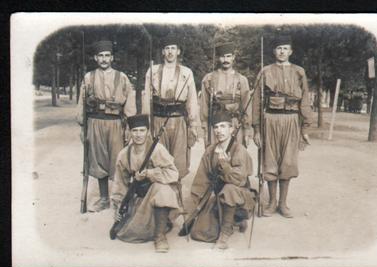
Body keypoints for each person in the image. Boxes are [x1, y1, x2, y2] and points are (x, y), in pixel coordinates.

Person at [252, 35, 312, 218]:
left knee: (287, 162)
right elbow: (256, 101)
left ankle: (283, 203)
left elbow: (305, 101)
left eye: (285, 48)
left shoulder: (299, 72)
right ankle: (271, 203)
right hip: (270, 119)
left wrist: (305, 128)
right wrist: (256, 129)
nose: (282, 51)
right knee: (270, 161)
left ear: (290, 51)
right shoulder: (265, 71)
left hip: (292, 119)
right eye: (279, 48)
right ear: (273, 51)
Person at [76, 40, 136, 212]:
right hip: (94, 123)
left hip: (115, 123)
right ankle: (104, 199)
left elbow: (129, 103)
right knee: (98, 160)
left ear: (112, 57)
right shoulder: (88, 77)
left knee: (118, 161)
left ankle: (119, 198)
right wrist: (82, 126)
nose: (104, 59)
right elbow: (82, 103)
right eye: (100, 56)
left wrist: (129, 127)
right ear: (96, 58)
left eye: (107, 55)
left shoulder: (122, 77)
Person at [111, 114, 180, 253]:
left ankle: (160, 237)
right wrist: (118, 207)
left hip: (158, 194)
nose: (138, 135)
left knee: (163, 190)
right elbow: (120, 183)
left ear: (148, 132)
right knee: (129, 234)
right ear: (129, 132)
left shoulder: (157, 149)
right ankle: (156, 224)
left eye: (142, 130)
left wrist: (150, 173)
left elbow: (174, 174)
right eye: (134, 131)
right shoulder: (124, 154)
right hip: (139, 198)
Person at [187, 111, 255, 249]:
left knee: (229, 189)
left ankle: (226, 231)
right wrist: (200, 202)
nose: (219, 131)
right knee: (199, 233)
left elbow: (239, 180)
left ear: (231, 129)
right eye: (216, 127)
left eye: (223, 126)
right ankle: (237, 219)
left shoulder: (239, 150)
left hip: (239, 194)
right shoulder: (211, 151)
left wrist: (225, 166)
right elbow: (201, 178)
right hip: (217, 195)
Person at [141, 34, 200, 186]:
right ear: (162, 52)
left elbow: (192, 100)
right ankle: (162, 195)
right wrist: (147, 124)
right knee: (159, 156)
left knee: (179, 158)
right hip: (159, 118)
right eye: (167, 48)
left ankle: (177, 195)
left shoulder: (187, 73)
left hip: (179, 119)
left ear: (178, 51)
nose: (170, 52)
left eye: (173, 48)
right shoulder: (152, 71)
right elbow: (147, 99)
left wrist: (193, 125)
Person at [201, 42, 251, 147]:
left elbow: (247, 106)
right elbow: (204, 107)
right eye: (222, 57)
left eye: (228, 56)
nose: (226, 60)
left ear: (233, 57)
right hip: (215, 123)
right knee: (214, 156)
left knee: (236, 156)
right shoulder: (209, 79)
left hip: (235, 123)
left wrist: (247, 130)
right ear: (218, 58)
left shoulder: (242, 80)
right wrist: (205, 130)